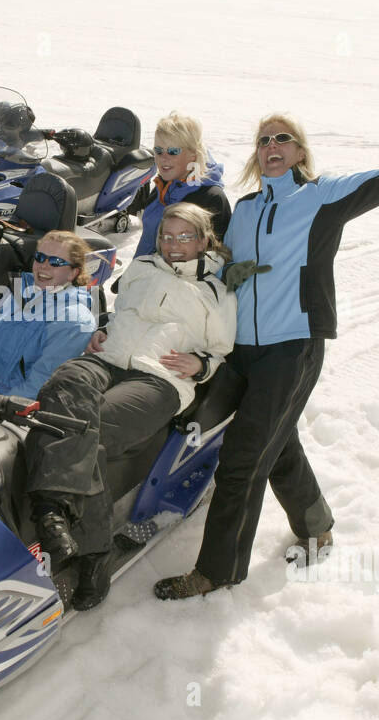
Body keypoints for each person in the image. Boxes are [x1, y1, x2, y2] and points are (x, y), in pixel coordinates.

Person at [154, 99, 379, 600]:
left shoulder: (322, 198)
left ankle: (217, 570)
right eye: (264, 140)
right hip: (240, 351)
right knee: (278, 441)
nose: (272, 146)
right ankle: (317, 527)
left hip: (291, 348)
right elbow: (201, 262)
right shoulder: (244, 210)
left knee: (243, 460)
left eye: (282, 139)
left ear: (298, 152)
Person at [26, 203, 237, 610]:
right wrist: (104, 332)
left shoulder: (216, 289)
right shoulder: (141, 268)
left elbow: (221, 349)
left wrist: (202, 363)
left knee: (94, 429)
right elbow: (124, 314)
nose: (173, 245)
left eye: (184, 237)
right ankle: (51, 508)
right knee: (61, 388)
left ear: (203, 240)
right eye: (167, 236)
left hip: (160, 378)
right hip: (107, 360)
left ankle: (93, 555)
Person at [0, 230, 97, 398]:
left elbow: (39, 385)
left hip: (7, 408)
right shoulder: (18, 295)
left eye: (56, 262)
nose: (44, 265)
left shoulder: (74, 320)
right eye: (40, 257)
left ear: (73, 273)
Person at [130, 112, 231, 257]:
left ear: (193, 155)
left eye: (173, 151)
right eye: (158, 151)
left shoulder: (211, 199)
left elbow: (216, 260)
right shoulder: (161, 190)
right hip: (143, 274)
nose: (163, 158)